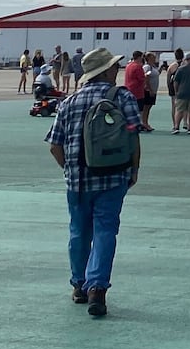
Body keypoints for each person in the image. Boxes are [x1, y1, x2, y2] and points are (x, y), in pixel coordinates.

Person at [45, 47, 142, 316]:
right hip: (113, 176)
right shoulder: (122, 97)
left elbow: (54, 145)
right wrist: (133, 170)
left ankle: (79, 284)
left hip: (77, 180)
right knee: (105, 230)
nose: (117, 70)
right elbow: (134, 136)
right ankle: (97, 287)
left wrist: (70, 168)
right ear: (107, 71)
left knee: (78, 231)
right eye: (114, 67)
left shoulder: (69, 102)